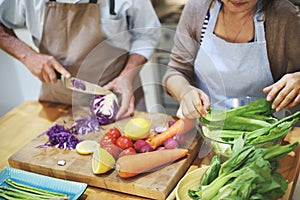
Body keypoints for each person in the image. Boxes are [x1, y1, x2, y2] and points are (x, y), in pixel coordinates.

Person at [0, 0, 161, 119]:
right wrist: (27, 55)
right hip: (58, 99)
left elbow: (147, 34)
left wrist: (126, 76)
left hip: (119, 96)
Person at [163, 0, 300, 119]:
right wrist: (185, 92)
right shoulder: (198, 9)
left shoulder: (283, 15)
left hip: (266, 135)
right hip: (207, 132)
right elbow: (176, 72)